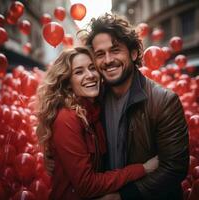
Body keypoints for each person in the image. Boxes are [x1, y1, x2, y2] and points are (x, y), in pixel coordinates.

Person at [82, 13, 189, 200]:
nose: (108, 60)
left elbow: (174, 168)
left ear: (133, 53)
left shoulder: (164, 101)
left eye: (115, 50)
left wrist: (122, 196)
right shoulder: (92, 100)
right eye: (100, 54)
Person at [36, 47, 159, 200]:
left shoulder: (94, 110)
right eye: (79, 72)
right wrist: (143, 169)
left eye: (92, 68)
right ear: (67, 83)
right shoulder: (67, 118)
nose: (90, 76)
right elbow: (86, 185)